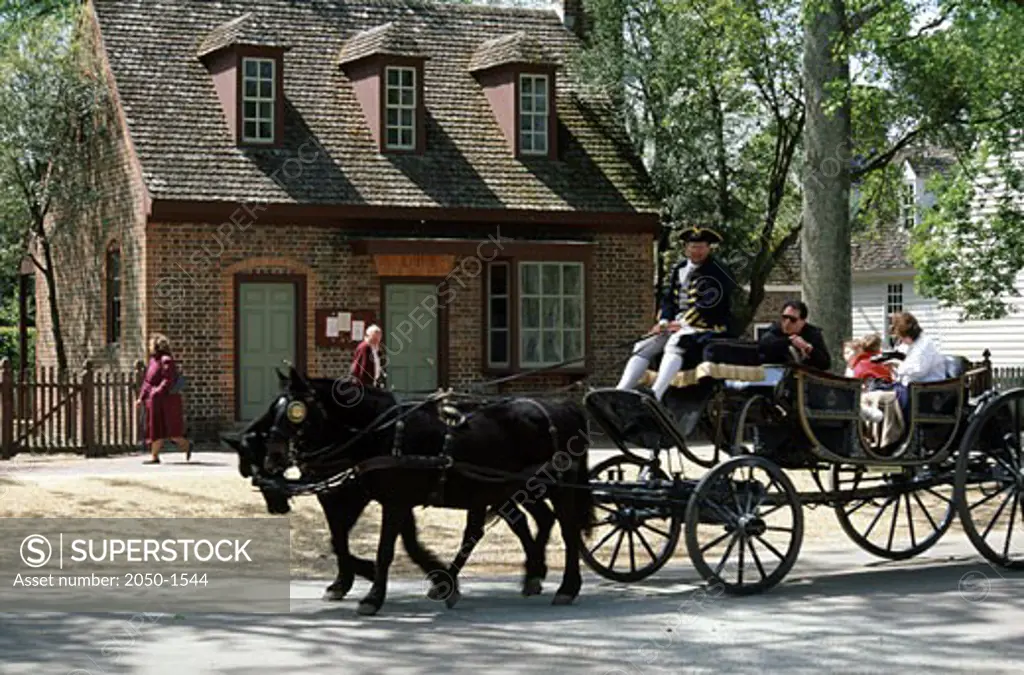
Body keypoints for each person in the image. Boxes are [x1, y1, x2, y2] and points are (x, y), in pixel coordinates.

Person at [616, 225, 736, 401]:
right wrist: (664, 321)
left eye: (701, 247)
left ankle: (655, 393)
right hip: (676, 323)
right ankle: (622, 391)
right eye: (693, 247)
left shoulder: (718, 271)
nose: (697, 251)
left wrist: (681, 324)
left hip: (707, 324)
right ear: (686, 248)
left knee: (675, 342)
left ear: (709, 248)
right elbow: (668, 299)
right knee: (643, 346)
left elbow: (711, 306)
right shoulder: (679, 268)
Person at [135, 333, 189, 464]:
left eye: (151, 344)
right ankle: (155, 457)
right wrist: (141, 398)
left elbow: (167, 380)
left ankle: (187, 445)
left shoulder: (166, 360)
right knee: (155, 428)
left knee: (172, 432)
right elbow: (147, 381)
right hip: (154, 401)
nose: (149, 347)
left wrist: (157, 392)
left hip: (167, 401)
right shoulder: (153, 361)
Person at [757, 300, 831, 371]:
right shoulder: (775, 330)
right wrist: (789, 341)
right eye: (784, 317)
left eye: (793, 320)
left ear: (802, 322)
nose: (787, 323)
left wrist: (807, 348)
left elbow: (825, 364)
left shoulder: (812, 334)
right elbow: (764, 344)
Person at [350, 324, 385, 388]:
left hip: (373, 382)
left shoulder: (375, 348)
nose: (378, 339)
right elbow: (363, 366)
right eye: (375, 337)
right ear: (369, 336)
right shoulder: (365, 347)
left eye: (379, 337)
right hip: (364, 384)